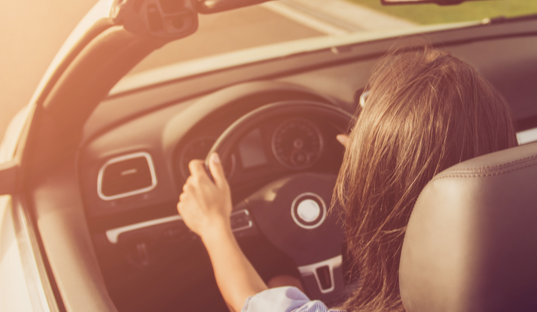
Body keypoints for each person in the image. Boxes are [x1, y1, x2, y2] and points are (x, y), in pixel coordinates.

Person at [177, 45, 518, 312]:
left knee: (282, 285)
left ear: (376, 194)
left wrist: (213, 225)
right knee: (284, 282)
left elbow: (251, 303)